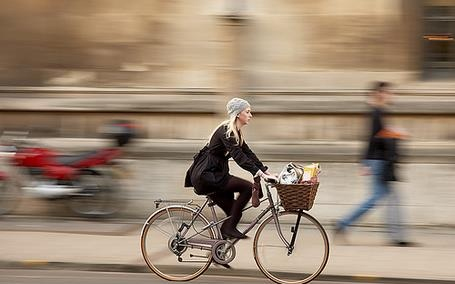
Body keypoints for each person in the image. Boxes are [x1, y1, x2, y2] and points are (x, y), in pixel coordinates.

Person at [185, 98, 277, 239]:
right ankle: (228, 229)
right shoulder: (226, 131)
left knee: (235, 212)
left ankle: (219, 251)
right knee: (247, 188)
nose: (250, 115)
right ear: (238, 114)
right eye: (247, 112)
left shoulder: (236, 132)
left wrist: (264, 171)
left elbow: (248, 153)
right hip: (207, 175)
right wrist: (259, 174)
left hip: (217, 174)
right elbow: (239, 157)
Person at [334, 81, 413, 246]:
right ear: (379, 93)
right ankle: (343, 224)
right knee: (377, 198)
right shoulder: (376, 112)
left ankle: (395, 236)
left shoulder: (379, 112)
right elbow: (373, 137)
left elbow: (377, 135)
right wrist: (397, 133)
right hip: (378, 161)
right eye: (388, 92)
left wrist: (394, 132)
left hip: (379, 160)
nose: (391, 95)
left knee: (386, 198)